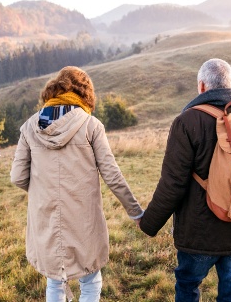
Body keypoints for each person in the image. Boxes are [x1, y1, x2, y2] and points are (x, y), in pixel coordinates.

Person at [138, 58, 231, 302]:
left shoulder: (186, 122)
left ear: (202, 87)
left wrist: (148, 224)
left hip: (199, 234)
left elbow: (173, 184)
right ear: (229, 83)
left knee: (187, 286)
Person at [11, 66, 144, 302]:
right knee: (91, 280)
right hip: (84, 219)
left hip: (46, 217)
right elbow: (112, 174)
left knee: (54, 281)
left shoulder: (30, 126)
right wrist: (135, 211)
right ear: (85, 93)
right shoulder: (91, 126)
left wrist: (44, 192)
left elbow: (17, 177)